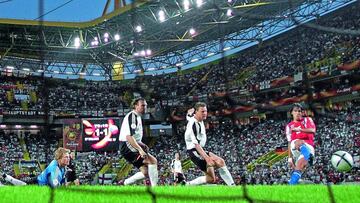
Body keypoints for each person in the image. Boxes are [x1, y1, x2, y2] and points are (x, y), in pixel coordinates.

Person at [184, 102, 235, 186]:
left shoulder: (193, 118)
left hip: (200, 149)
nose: (205, 113)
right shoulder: (193, 125)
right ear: (196, 112)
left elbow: (189, 116)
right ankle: (187, 185)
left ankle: (186, 185)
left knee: (212, 178)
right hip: (195, 151)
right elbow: (196, 144)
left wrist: (189, 112)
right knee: (218, 163)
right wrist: (207, 158)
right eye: (202, 111)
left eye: (205, 111)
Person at [118, 97, 158, 186]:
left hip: (128, 145)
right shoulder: (133, 116)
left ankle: (124, 183)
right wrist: (140, 149)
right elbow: (129, 137)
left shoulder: (138, 117)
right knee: (153, 161)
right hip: (127, 145)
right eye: (143, 105)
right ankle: (156, 189)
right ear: (135, 106)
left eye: (146, 105)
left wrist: (142, 144)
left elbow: (134, 137)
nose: (145, 107)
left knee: (146, 172)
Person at [285, 103, 316, 185]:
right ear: (291, 112)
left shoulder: (308, 119)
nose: (298, 113)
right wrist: (290, 159)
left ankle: (291, 185)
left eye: (299, 111)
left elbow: (312, 130)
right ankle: (308, 156)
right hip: (295, 147)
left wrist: (299, 129)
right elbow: (289, 142)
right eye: (295, 111)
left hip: (309, 147)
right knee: (299, 141)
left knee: (299, 167)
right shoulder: (289, 126)